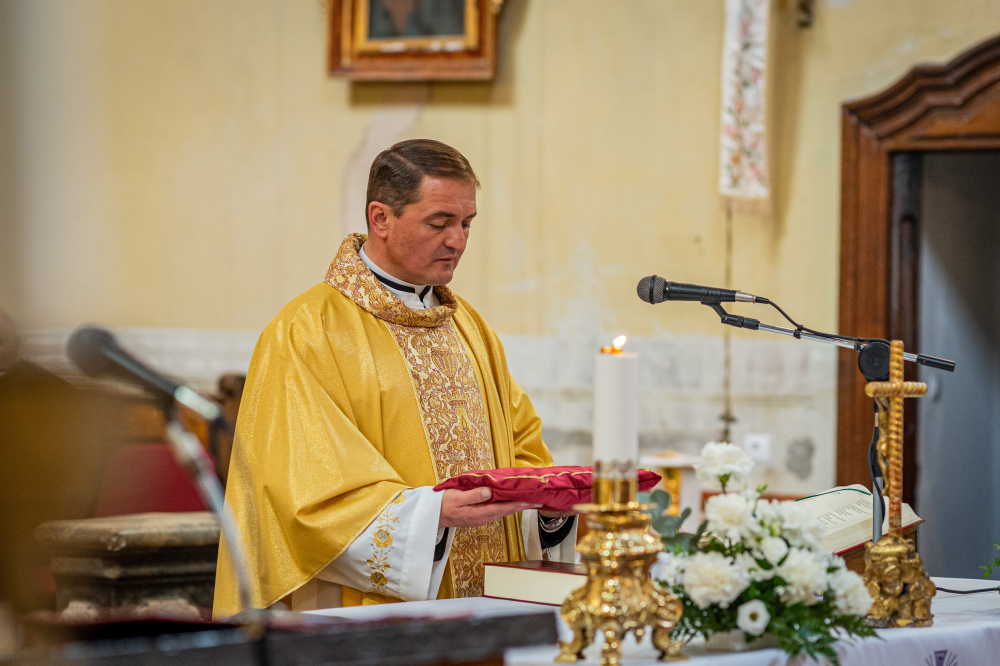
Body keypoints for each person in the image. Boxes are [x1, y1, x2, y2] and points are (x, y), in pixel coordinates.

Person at [214, 140, 576, 616]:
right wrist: (431, 517)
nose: (458, 241)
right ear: (380, 218)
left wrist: (547, 508)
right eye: (439, 223)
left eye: (467, 223)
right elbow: (297, 495)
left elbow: (523, 451)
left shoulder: (470, 328)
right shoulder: (307, 332)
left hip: (489, 609)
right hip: (368, 615)